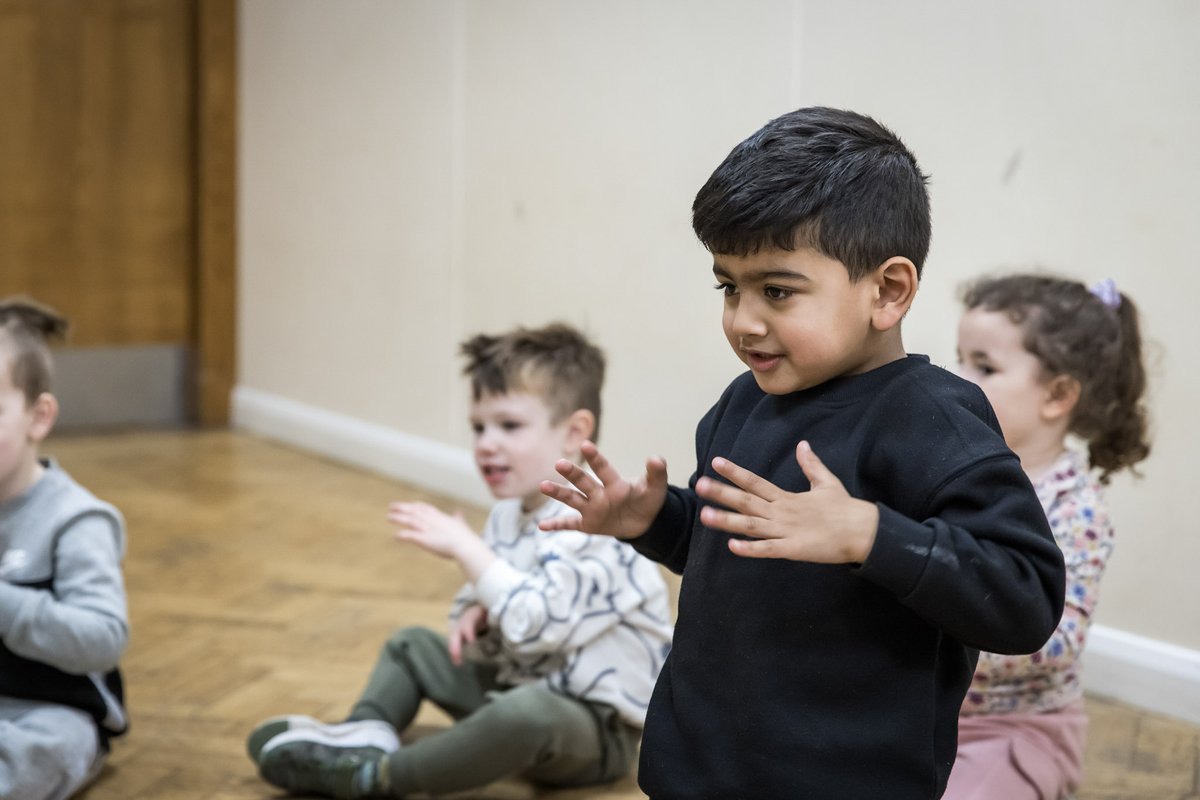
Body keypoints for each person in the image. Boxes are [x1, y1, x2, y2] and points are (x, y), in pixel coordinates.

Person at [539, 107, 1066, 799]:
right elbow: (729, 546)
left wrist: (870, 535)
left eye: (777, 291)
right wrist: (652, 521)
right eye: (729, 286)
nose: (743, 319)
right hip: (696, 767)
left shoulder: (937, 422)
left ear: (888, 290)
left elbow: (1025, 598)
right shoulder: (742, 402)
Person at [246, 322, 674, 799]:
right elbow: (477, 610)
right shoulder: (506, 516)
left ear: (574, 433)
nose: (486, 443)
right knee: (410, 645)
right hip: (518, 683)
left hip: (593, 731)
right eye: (478, 427)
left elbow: (538, 627)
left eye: (509, 425)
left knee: (524, 714)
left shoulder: (598, 528)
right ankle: (365, 733)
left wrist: (468, 549)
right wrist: (476, 614)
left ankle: (379, 777)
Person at [944, 273, 1151, 800]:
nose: (957, 378)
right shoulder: (948, 466)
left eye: (984, 367)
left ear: (1057, 395)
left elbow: (1053, 640)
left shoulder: (1074, 508)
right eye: (960, 358)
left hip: (1013, 731)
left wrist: (936, 625)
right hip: (921, 702)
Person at [0, 297, 130, 800]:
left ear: (39, 417)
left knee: (53, 745)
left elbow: (103, 638)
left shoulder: (75, 520)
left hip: (51, 707)